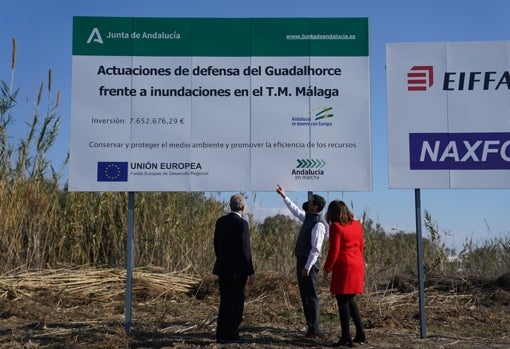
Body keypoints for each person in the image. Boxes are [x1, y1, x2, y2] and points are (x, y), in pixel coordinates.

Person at [276, 184, 327, 338]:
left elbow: (315, 249)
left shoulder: (318, 223)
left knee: (311, 295)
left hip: (309, 262)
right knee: (305, 295)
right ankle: (311, 327)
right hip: (304, 261)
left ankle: (315, 329)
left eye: (310, 202)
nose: (307, 203)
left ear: (315, 207)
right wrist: (284, 196)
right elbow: (296, 211)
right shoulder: (309, 218)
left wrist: (307, 267)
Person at [212, 193, 255, 343]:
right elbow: (245, 250)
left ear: (230, 206)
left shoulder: (220, 221)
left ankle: (221, 335)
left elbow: (216, 244)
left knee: (224, 302)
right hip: (238, 272)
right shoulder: (242, 224)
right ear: (243, 207)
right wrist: (251, 271)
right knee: (236, 303)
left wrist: (222, 260)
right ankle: (232, 335)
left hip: (223, 268)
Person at [323, 200, 366, 347]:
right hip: (357, 263)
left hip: (344, 266)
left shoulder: (335, 227)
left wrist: (327, 268)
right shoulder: (357, 225)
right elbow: (361, 246)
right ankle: (360, 333)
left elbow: (334, 250)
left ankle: (346, 337)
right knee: (350, 300)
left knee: (342, 301)